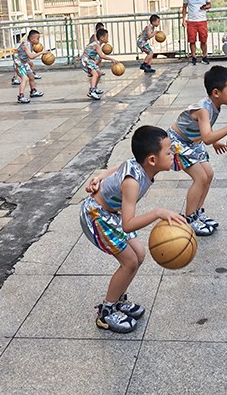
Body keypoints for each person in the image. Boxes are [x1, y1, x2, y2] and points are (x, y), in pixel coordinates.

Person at [80, 125, 186, 333]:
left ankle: (118, 299)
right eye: (168, 152)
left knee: (139, 253)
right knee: (129, 262)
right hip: (96, 217)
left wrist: (100, 177)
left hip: (110, 214)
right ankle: (106, 311)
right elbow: (128, 225)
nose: (172, 154)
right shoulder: (133, 183)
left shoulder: (139, 166)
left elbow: (119, 166)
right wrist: (157, 213)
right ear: (152, 160)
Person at [168, 66, 227, 236]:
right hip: (178, 143)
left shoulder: (215, 105)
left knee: (209, 175)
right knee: (200, 178)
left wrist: (215, 142)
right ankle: (189, 219)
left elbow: (205, 131)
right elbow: (206, 137)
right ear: (216, 92)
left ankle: (197, 212)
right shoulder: (204, 110)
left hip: (193, 142)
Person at [82, 28, 118, 100]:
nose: (107, 39)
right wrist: (111, 59)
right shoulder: (97, 45)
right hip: (86, 61)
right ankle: (92, 91)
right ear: (102, 38)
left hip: (90, 60)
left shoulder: (97, 44)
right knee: (95, 74)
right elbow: (101, 56)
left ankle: (94, 88)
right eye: (106, 37)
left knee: (99, 73)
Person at [182, 0, 211, 65]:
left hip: (202, 20)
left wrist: (205, 7)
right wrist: (183, 19)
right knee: (192, 40)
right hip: (191, 21)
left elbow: (209, 5)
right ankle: (194, 57)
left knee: (203, 40)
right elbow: (184, 8)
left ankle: (204, 56)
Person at [14, 30, 45, 103]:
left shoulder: (30, 44)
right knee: (25, 78)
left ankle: (33, 91)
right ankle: (21, 96)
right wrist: (41, 52)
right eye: (38, 39)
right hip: (19, 64)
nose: (38, 40)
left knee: (31, 77)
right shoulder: (26, 45)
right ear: (32, 39)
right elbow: (31, 56)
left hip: (24, 63)